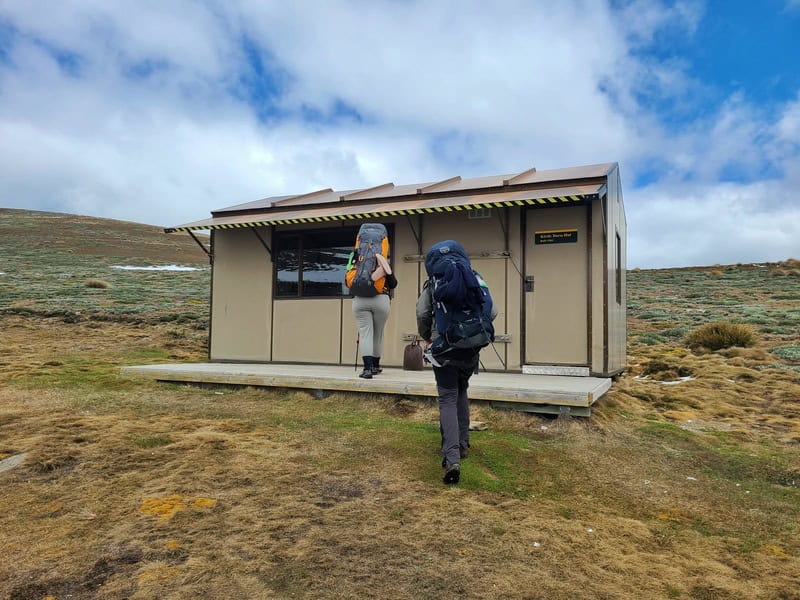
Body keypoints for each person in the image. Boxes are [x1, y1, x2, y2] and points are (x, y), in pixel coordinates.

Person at [416, 240, 497, 485]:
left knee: (448, 397)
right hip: (471, 346)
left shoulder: (434, 283)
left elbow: (422, 312)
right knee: (462, 390)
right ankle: (462, 445)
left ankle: (452, 458)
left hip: (444, 347)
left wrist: (427, 337)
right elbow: (491, 311)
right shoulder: (474, 275)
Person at [353, 252, 397, 379]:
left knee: (365, 334)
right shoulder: (382, 260)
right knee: (378, 334)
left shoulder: (357, 259)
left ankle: (367, 369)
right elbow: (393, 283)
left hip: (360, 300)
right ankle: (375, 366)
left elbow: (349, 281)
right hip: (381, 299)